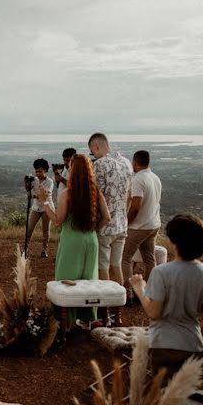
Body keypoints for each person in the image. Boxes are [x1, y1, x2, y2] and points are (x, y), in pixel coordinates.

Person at [130, 214, 203, 372]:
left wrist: (140, 288)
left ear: (175, 244)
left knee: (164, 395)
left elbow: (154, 313)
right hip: (194, 344)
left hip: (164, 345)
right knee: (186, 395)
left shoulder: (161, 272)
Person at [38, 154, 110, 328]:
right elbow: (107, 217)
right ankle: (87, 318)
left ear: (72, 170)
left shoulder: (67, 193)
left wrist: (45, 201)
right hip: (91, 239)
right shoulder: (95, 191)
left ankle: (68, 321)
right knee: (88, 280)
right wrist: (94, 230)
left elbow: (56, 220)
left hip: (72, 240)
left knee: (67, 280)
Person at [88, 133, 133, 286]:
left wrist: (94, 223)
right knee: (116, 266)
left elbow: (96, 197)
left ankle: (104, 308)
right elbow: (129, 195)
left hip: (105, 226)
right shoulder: (126, 163)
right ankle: (117, 308)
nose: (93, 155)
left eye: (92, 151)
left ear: (96, 147)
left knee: (103, 268)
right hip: (122, 224)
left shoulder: (100, 165)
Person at [122, 150, 163, 300]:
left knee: (124, 258)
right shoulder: (155, 177)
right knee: (149, 258)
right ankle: (150, 292)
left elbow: (135, 206)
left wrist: (126, 223)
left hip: (139, 226)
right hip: (153, 224)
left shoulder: (138, 179)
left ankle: (128, 294)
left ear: (135, 162)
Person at [24, 158, 54, 258]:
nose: (38, 173)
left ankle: (44, 250)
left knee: (45, 231)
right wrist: (27, 184)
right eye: (36, 171)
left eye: (40, 171)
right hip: (36, 207)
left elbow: (44, 195)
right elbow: (29, 193)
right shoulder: (34, 180)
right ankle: (25, 249)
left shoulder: (49, 182)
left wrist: (35, 194)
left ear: (45, 170)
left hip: (47, 208)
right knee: (29, 229)